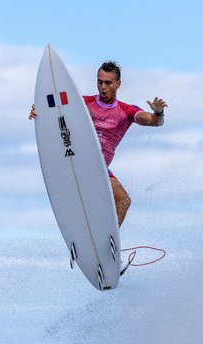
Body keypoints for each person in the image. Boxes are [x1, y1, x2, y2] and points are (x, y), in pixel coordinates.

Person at [29, 60, 167, 226]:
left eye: (108, 83)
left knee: (123, 201)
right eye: (99, 82)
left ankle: (106, 242)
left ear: (118, 84)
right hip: (75, 158)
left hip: (99, 168)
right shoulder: (82, 102)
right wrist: (37, 110)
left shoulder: (126, 110)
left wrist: (158, 111)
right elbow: (49, 105)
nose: (103, 87)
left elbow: (155, 122)